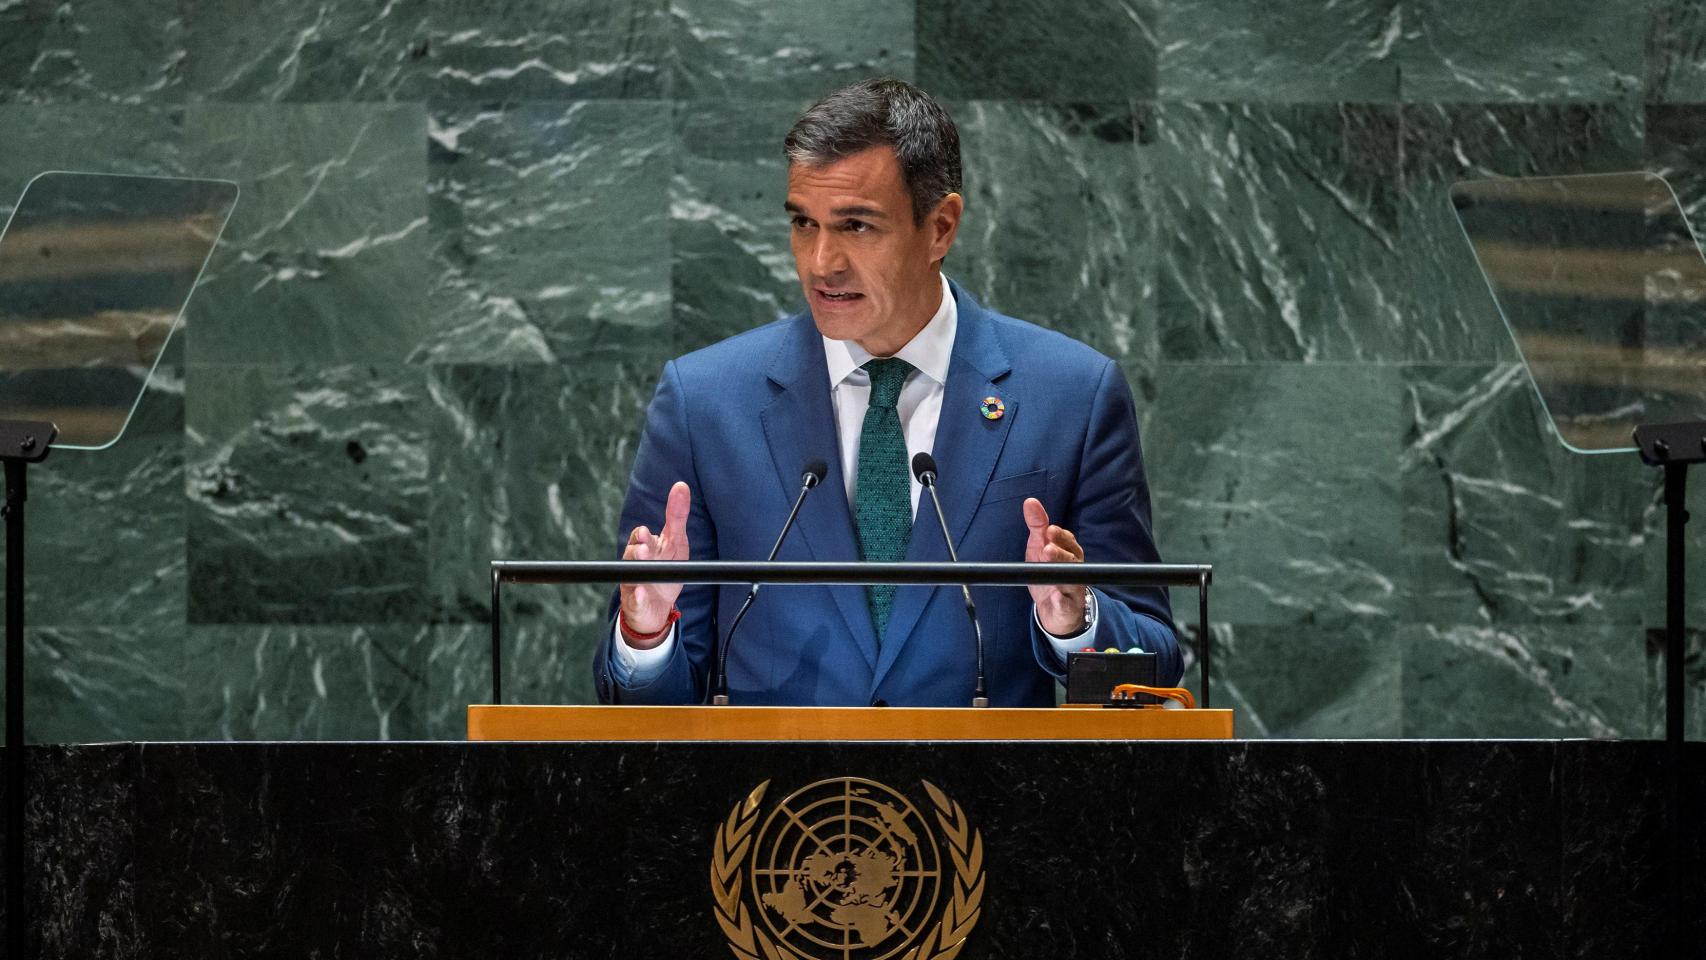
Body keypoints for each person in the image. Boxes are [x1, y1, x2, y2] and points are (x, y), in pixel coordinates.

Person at [592, 78, 1181, 707]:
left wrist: (1077, 617)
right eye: (803, 223)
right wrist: (646, 632)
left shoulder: (1072, 396)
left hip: (992, 800)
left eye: (856, 226)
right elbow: (644, 705)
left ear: (941, 228)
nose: (821, 262)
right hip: (775, 803)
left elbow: (1153, 664)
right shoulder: (705, 401)